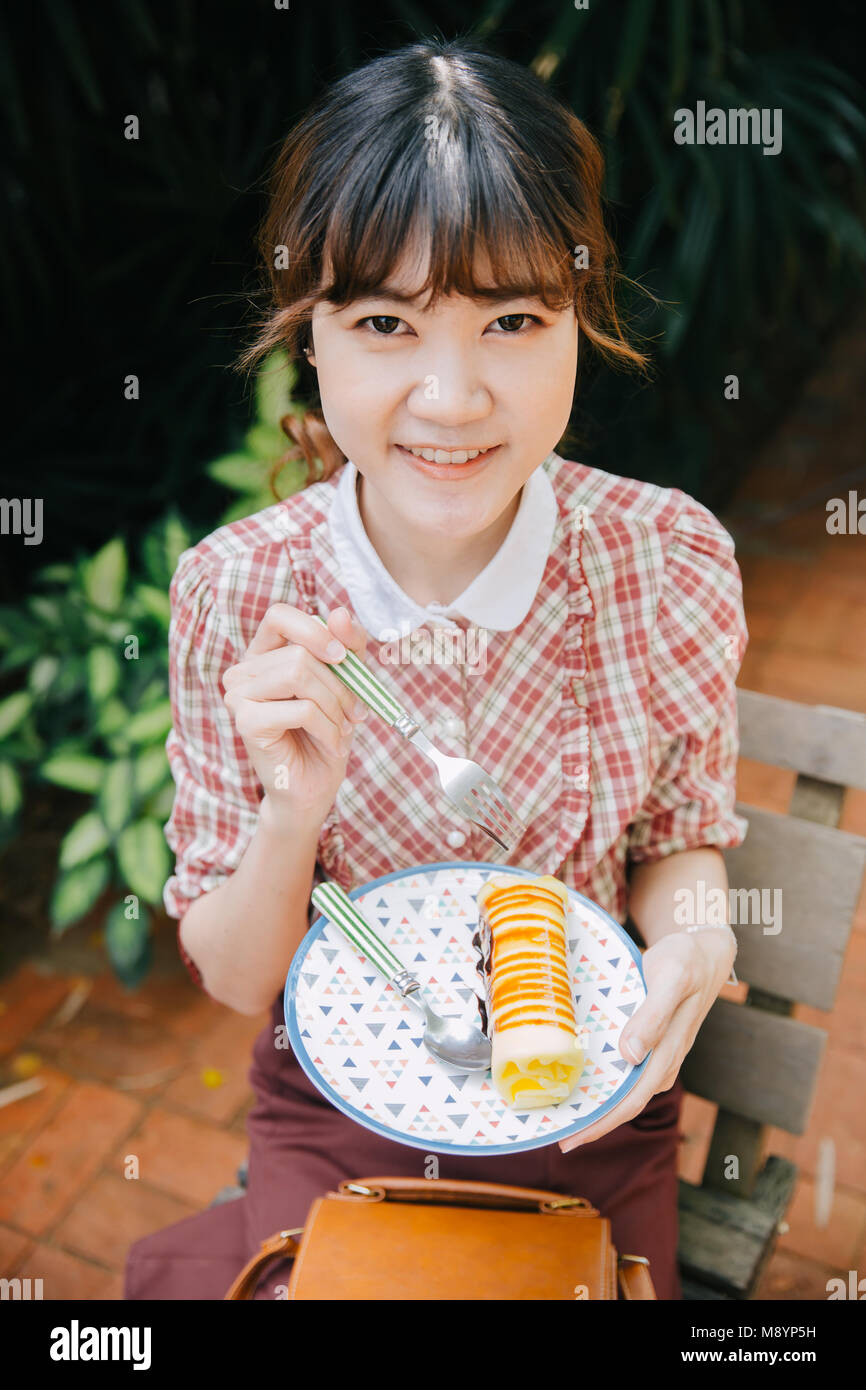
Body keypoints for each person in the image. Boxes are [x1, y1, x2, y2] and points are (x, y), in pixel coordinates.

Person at [124, 37, 745, 1301]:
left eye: (512, 320)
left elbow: (678, 835)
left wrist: (696, 932)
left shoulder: (664, 558)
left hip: (589, 1110)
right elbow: (244, 974)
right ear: (312, 339)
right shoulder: (240, 595)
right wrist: (294, 809)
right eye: (385, 324)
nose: (450, 396)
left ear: (582, 319)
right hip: (333, 1122)